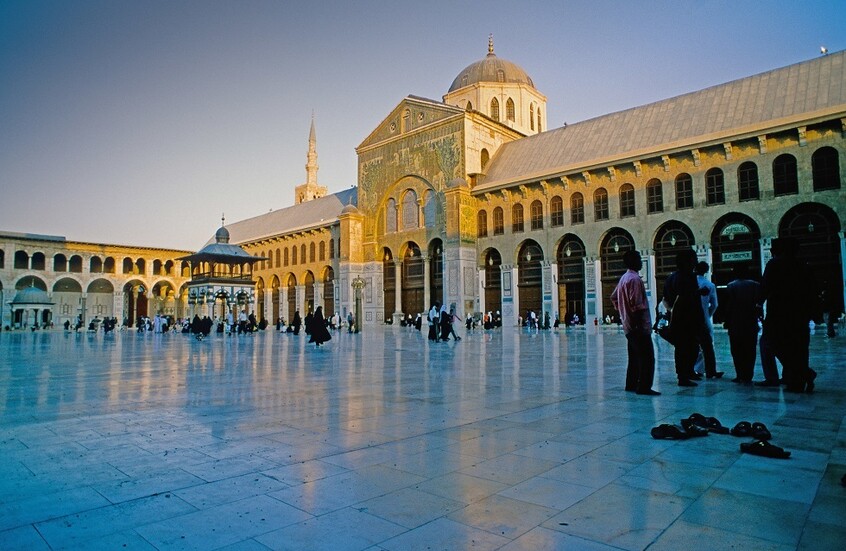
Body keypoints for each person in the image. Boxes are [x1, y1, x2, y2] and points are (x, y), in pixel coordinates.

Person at [759, 238, 819, 392]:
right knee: (798, 347)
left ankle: (804, 373)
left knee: (771, 343)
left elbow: (765, 287)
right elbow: (813, 291)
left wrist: (758, 303)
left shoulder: (774, 264)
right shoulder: (804, 266)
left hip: (779, 313)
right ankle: (796, 381)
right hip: (800, 315)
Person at [610, 250, 660, 395]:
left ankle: (631, 384)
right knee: (647, 358)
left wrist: (622, 311)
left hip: (628, 326)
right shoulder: (635, 279)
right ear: (633, 262)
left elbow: (614, 297)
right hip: (638, 327)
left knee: (634, 358)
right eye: (638, 259)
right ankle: (644, 387)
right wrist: (638, 324)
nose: (641, 262)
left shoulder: (624, 278)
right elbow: (637, 305)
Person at [663, 248, 705, 387]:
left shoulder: (672, 277)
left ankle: (688, 372)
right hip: (686, 319)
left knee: (687, 348)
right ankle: (683, 376)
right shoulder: (686, 277)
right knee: (686, 348)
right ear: (688, 261)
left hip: (679, 318)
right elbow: (684, 298)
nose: (696, 261)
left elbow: (666, 299)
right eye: (694, 258)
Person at [723, 265, 763, 384]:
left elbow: (729, 305)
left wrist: (726, 320)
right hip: (750, 322)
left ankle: (739, 374)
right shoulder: (755, 285)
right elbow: (759, 304)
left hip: (735, 322)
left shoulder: (731, 286)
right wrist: (760, 317)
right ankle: (748, 374)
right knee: (750, 350)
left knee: (736, 350)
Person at [694, 261, 724, 379]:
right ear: (706, 271)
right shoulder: (709, 285)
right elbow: (715, 304)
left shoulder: (690, 283)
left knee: (693, 344)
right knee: (707, 346)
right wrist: (708, 315)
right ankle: (707, 370)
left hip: (691, 318)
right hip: (704, 318)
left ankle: (695, 369)